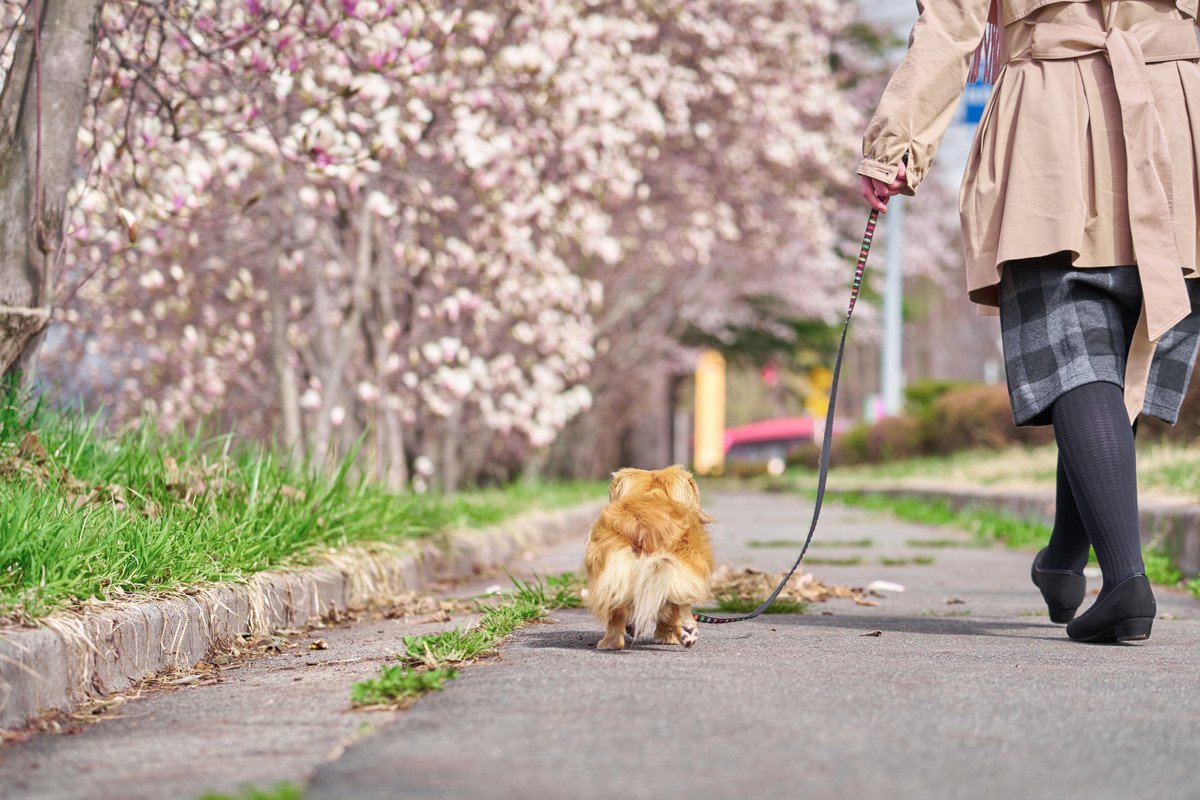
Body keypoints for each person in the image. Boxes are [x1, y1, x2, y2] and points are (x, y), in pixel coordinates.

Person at [857, 0, 1200, 643]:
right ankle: (1064, 561)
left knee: (1079, 357)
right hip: (1181, 117)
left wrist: (895, 145)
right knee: (1117, 359)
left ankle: (1126, 582)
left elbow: (952, 26)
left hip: (1055, 118)